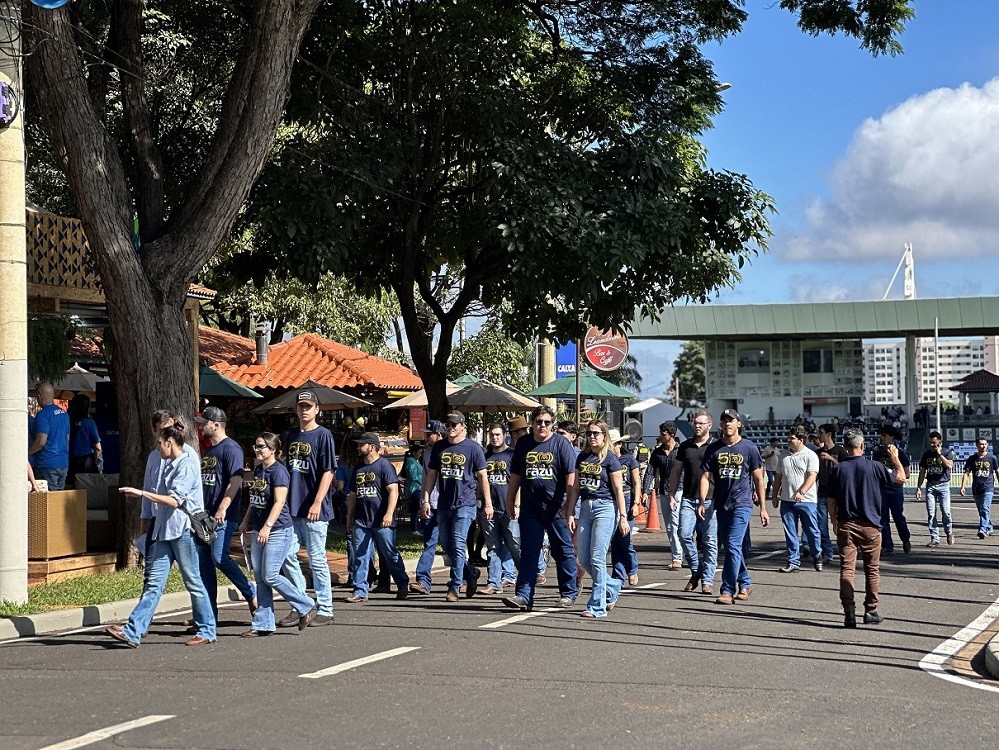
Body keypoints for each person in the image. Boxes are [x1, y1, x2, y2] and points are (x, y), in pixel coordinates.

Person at [106, 422, 217, 647]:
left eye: (160, 443)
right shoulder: (168, 462)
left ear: (170, 442)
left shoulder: (186, 464)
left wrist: (141, 494)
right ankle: (133, 631)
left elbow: (175, 501)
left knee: (193, 581)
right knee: (153, 584)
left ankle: (207, 630)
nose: (157, 448)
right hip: (163, 530)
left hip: (182, 531)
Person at [238, 432, 317, 636]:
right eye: (256, 446)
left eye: (261, 446)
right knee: (260, 577)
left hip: (278, 530)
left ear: (272, 450)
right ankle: (263, 623)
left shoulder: (279, 472)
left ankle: (305, 604)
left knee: (271, 575)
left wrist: (268, 526)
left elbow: (280, 502)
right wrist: (246, 520)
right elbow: (255, 499)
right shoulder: (258, 471)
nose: (257, 450)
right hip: (258, 529)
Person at [502, 405, 580, 611]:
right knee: (529, 553)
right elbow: (516, 475)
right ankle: (524, 596)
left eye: (547, 422)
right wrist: (510, 500)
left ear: (552, 425)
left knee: (563, 551)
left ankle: (568, 592)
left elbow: (571, 478)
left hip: (557, 510)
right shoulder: (523, 444)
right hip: (531, 510)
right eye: (538, 422)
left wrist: (569, 509)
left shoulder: (561, 444)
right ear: (532, 424)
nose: (542, 426)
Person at [827, 428, 905, 628]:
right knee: (872, 569)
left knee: (847, 569)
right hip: (870, 525)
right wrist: (895, 458)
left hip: (846, 524)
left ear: (845, 448)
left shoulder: (838, 469)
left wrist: (834, 522)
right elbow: (901, 477)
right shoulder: (875, 467)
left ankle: (849, 612)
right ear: (862, 446)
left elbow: (831, 500)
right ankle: (871, 610)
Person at [277, 390, 337, 628]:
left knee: (317, 559)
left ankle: (326, 608)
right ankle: (301, 604)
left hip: (314, 509)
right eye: (301, 406)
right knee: (286, 555)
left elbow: (329, 471)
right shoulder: (291, 435)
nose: (304, 410)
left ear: (317, 410)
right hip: (292, 507)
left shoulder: (324, 436)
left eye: (309, 407)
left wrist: (317, 501)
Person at [699, 409, 768, 605]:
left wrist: (763, 507)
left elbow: (758, 478)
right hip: (721, 504)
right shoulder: (714, 449)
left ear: (738, 424)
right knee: (731, 547)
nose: (727, 424)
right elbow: (705, 476)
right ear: (720, 425)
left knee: (733, 544)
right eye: (724, 421)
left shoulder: (749, 448)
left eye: (731, 421)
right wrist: (703, 501)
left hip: (742, 503)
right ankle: (745, 582)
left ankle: (727, 590)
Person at [422, 411, 490, 602]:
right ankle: (470, 572)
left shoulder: (473, 448)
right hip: (443, 504)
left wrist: (487, 504)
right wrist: (426, 499)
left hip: (465, 504)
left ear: (463, 426)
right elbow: (431, 475)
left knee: (459, 543)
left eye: (454, 425)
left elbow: (483, 477)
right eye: (447, 425)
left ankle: (455, 586)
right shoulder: (439, 447)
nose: (450, 428)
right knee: (446, 544)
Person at [197, 406, 257, 620]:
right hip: (203, 517)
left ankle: (251, 593)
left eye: (205, 422)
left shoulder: (231, 449)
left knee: (219, 558)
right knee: (204, 566)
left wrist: (223, 506)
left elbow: (236, 480)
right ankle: (207, 614)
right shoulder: (209, 450)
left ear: (216, 425)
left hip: (223, 515)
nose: (201, 425)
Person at [567, 420, 629, 618]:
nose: (592, 437)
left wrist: (623, 516)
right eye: (589, 433)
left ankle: (597, 606)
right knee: (583, 558)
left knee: (597, 557)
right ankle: (612, 586)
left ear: (604, 436)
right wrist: (570, 512)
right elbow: (576, 487)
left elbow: (619, 489)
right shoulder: (582, 457)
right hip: (586, 507)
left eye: (596, 433)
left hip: (605, 507)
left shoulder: (610, 459)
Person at [345, 432, 410, 602]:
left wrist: (389, 514)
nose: (358, 447)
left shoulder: (384, 466)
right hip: (361, 520)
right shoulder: (357, 469)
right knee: (360, 554)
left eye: (362, 444)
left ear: (372, 447)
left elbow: (393, 491)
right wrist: (349, 519)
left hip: (382, 521)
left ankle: (402, 584)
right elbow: (352, 496)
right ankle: (360, 590)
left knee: (389, 553)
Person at [667, 410, 717, 595]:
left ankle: (708, 580)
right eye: (695, 423)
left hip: (711, 499)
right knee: (684, 534)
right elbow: (676, 471)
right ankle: (697, 570)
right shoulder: (685, 446)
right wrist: (671, 493)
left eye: (701, 423)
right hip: (688, 497)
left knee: (709, 541)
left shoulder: (715, 446)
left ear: (709, 425)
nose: (697, 426)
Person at [771, 427, 822, 573]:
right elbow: (778, 477)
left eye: (791, 438)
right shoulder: (783, 455)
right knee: (790, 532)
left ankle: (817, 554)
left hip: (807, 500)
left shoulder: (810, 455)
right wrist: (775, 495)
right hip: (787, 500)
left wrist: (802, 491)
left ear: (801, 440)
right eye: (788, 438)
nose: (788, 440)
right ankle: (793, 561)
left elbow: (812, 476)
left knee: (812, 530)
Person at [480, 423, 521, 595]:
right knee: (493, 548)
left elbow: (519, 482)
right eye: (492, 435)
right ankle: (494, 583)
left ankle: (526, 577)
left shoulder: (512, 455)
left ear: (505, 435)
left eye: (498, 434)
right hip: (490, 509)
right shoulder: (485, 456)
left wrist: (517, 504)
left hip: (509, 508)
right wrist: (480, 505)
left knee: (515, 546)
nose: (495, 437)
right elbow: (480, 482)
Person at [411, 420, 445, 595]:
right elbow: (427, 478)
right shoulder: (427, 453)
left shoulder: (448, 450)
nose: (426, 437)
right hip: (430, 503)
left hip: (446, 504)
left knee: (451, 544)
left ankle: (467, 574)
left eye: (429, 434)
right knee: (430, 542)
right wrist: (424, 500)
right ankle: (423, 580)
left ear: (438, 435)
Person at [643, 421, 682, 571]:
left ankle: (681, 554)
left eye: (663, 434)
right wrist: (645, 492)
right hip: (664, 492)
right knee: (670, 526)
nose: (660, 436)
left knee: (678, 525)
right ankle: (677, 555)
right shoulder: (657, 452)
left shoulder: (681, 450)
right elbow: (650, 472)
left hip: (680, 491)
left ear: (671, 435)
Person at [872, 425, 911, 556]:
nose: (882, 438)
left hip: (895, 489)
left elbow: (907, 475)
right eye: (881, 436)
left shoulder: (900, 453)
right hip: (881, 489)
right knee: (883, 519)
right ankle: (887, 545)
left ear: (892, 437)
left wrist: (893, 471)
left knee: (898, 517)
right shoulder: (877, 454)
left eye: (885, 436)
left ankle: (905, 539)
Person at [609, 429, 641, 587]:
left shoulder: (629, 460)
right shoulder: (606, 459)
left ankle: (632, 568)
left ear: (620, 444)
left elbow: (636, 482)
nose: (611, 447)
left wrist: (636, 503)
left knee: (625, 538)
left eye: (613, 444)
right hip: (611, 499)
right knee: (615, 541)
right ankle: (618, 575)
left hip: (627, 497)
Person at [914, 431, 956, 547]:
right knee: (931, 513)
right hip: (931, 486)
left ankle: (949, 532)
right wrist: (918, 487)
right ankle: (935, 538)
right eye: (931, 443)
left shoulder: (947, 452)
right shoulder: (926, 454)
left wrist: (940, 454)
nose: (932, 445)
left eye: (934, 443)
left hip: (943, 485)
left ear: (940, 442)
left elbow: (950, 466)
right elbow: (922, 472)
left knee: (946, 511)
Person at [815, 423, 847, 565]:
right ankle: (827, 553)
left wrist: (831, 459)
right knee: (822, 525)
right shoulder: (817, 452)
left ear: (828, 434)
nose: (818, 435)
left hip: (838, 494)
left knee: (840, 524)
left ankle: (845, 550)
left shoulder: (840, 451)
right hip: (822, 493)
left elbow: (847, 470)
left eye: (821, 432)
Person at [28, 381, 70, 490]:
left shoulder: (43, 415)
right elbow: (67, 439)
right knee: (58, 500)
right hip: (63, 463)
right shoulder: (64, 414)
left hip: (47, 464)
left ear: (39, 396)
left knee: (47, 501)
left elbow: (41, 442)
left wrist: (27, 453)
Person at [960, 438, 999, 538]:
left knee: (985, 508)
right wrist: (963, 486)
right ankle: (989, 527)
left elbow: (997, 471)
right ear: (977, 445)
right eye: (981, 444)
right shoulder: (972, 459)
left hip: (988, 487)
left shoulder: (992, 458)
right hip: (977, 487)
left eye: (985, 444)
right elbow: (966, 473)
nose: (984, 446)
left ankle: (982, 529)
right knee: (981, 510)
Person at [67, 393, 102, 484]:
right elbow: (97, 447)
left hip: (70, 460)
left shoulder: (68, 421)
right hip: (86, 461)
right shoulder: (89, 423)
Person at [402, 442, 425, 534]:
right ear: (414, 452)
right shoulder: (411, 462)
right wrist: (423, 481)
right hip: (414, 489)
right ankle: (414, 528)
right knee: (416, 508)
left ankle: (419, 527)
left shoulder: (416, 461)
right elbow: (413, 476)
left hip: (418, 488)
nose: (420, 455)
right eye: (419, 453)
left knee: (418, 508)